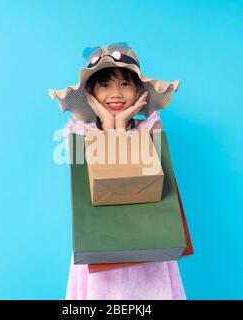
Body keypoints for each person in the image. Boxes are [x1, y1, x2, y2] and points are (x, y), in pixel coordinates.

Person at [49, 43, 186, 299]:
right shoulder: (77, 133)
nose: (115, 93)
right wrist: (111, 126)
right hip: (99, 244)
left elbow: (154, 180)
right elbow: (90, 180)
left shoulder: (152, 127)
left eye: (125, 84)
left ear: (138, 90)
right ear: (90, 92)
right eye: (104, 85)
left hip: (148, 244)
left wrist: (121, 126)